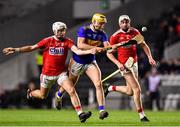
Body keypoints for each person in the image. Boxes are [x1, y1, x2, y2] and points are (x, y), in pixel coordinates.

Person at [2, 21, 97, 123]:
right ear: (55, 31)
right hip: (46, 75)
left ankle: (80, 114)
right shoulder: (47, 41)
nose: (62, 33)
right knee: (42, 96)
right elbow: (31, 48)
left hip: (60, 74)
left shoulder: (67, 41)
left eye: (63, 30)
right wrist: (15, 49)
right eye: (60, 30)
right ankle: (31, 94)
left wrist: (89, 51)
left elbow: (77, 51)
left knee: (71, 90)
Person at [55, 13, 109, 120]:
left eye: (104, 24)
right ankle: (59, 94)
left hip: (90, 62)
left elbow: (108, 47)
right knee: (70, 84)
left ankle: (101, 110)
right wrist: (95, 48)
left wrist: (111, 48)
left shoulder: (103, 34)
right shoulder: (84, 29)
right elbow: (80, 45)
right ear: (94, 22)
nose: (103, 26)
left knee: (98, 84)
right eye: (101, 23)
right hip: (77, 61)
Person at [103, 15, 156, 122]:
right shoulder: (115, 36)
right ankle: (142, 116)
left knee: (130, 91)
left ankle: (109, 88)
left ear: (129, 22)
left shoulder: (135, 32)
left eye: (127, 21)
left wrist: (150, 57)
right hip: (125, 66)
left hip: (134, 63)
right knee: (137, 89)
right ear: (119, 24)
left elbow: (144, 45)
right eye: (123, 22)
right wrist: (118, 64)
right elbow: (109, 54)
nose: (125, 23)